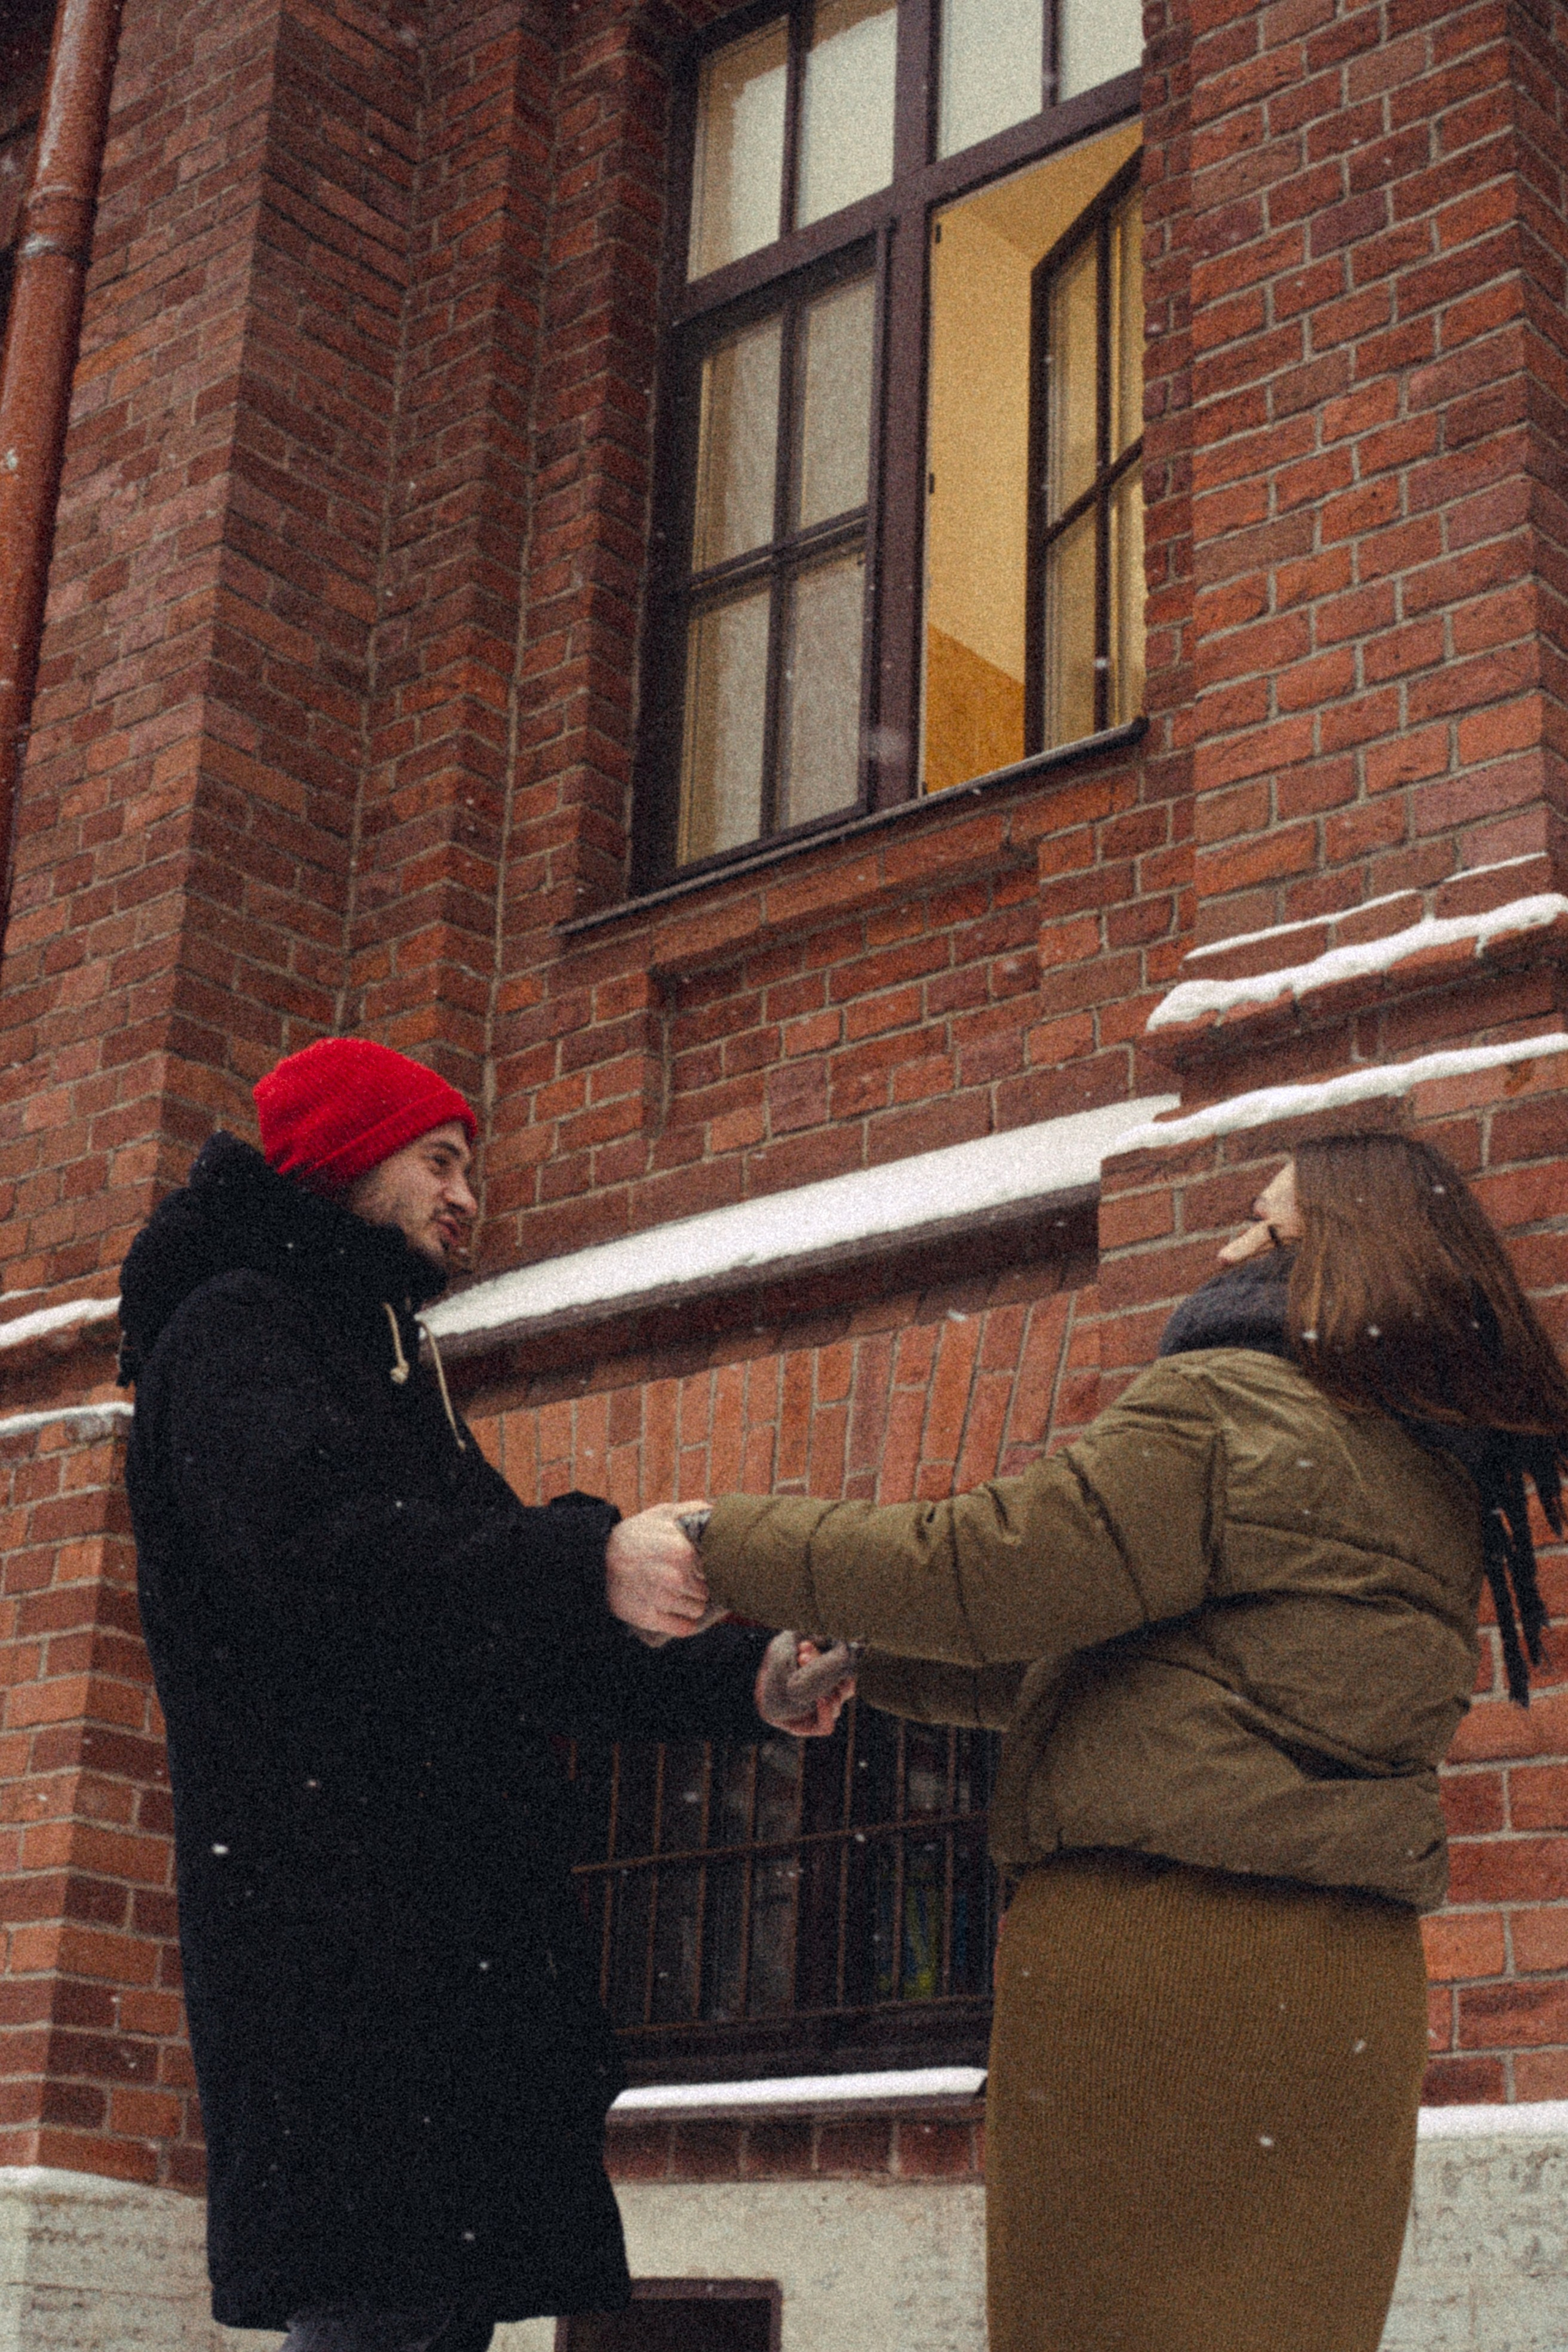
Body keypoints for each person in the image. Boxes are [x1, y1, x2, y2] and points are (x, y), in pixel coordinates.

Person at [675, 1131, 1568, 2352]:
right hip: (1341, 1992)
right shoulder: (1423, 1480)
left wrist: (726, 1539)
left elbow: (987, 1569)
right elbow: (1140, 1674)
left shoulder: (1225, 1405)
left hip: (1157, 1964)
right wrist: (870, 1665)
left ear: (1328, 1254)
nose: (1225, 1246)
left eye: (1261, 1224)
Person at [117, 1038, 853, 2352]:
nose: (467, 1197)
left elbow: (505, 1629)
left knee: (423, 2307)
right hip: (343, 1936)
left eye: (472, 1169)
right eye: (439, 1161)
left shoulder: (379, 1353)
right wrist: (586, 1556)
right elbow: (321, 1556)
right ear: (346, 1158)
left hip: (428, 1938)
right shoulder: (237, 1332)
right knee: (382, 2310)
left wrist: (739, 1678)